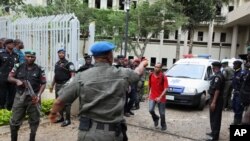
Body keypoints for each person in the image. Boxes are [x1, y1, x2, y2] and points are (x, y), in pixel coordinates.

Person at [49, 41, 148, 141]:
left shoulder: (81, 76)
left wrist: (53, 114)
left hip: (89, 134)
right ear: (110, 56)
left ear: (94, 57)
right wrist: (143, 63)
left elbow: (59, 101)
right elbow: (138, 72)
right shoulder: (123, 74)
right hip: (113, 135)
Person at [8, 50, 46, 141]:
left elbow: (43, 83)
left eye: (32, 57)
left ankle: (32, 138)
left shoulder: (40, 69)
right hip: (20, 97)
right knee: (14, 121)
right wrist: (17, 81)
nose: (30, 58)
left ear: (35, 58)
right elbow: (9, 77)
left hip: (33, 98)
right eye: (28, 56)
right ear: (25, 57)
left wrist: (39, 95)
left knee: (34, 121)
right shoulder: (18, 66)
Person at [50, 48, 75, 127]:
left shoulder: (69, 64)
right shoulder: (57, 64)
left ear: (65, 54)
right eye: (59, 53)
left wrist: (68, 85)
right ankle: (61, 118)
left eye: (62, 53)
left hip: (65, 85)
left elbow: (73, 75)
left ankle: (68, 120)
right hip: (57, 85)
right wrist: (52, 84)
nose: (61, 54)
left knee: (67, 103)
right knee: (59, 102)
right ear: (58, 54)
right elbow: (56, 75)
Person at [206, 61, 225, 141]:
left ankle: (214, 137)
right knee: (213, 117)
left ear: (216, 67)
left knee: (216, 118)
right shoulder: (217, 75)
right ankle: (213, 132)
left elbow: (217, 90)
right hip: (214, 98)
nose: (212, 69)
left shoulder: (218, 77)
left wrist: (213, 102)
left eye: (213, 67)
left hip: (216, 99)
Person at [148, 63, 169, 131]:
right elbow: (149, 85)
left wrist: (160, 97)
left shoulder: (163, 77)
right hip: (153, 96)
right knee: (151, 110)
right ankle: (156, 118)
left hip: (161, 97)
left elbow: (166, 88)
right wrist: (148, 94)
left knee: (162, 113)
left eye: (158, 67)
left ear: (160, 69)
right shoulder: (151, 75)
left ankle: (163, 124)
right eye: (155, 67)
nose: (156, 68)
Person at [0, 39, 19, 110]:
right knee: (2, 95)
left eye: (13, 43)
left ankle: (9, 109)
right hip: (2, 78)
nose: (13, 45)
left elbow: (17, 66)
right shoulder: (1, 53)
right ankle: (1, 109)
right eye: (11, 43)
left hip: (12, 78)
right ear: (7, 44)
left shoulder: (16, 55)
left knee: (12, 94)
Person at [231, 60, 245, 125]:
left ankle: (237, 123)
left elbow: (243, 85)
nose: (233, 66)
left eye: (234, 65)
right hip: (235, 92)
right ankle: (235, 121)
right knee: (234, 107)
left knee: (239, 108)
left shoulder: (242, 73)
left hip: (240, 93)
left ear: (238, 65)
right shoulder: (235, 72)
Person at [240, 51, 250, 125]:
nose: (246, 62)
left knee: (245, 121)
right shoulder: (248, 71)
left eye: (248, 60)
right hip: (246, 101)